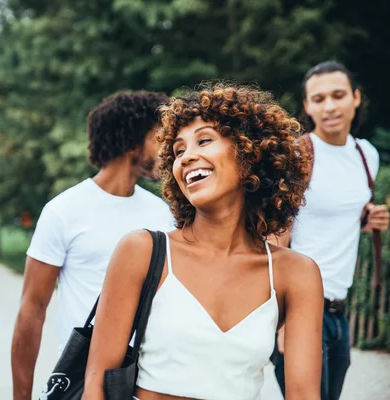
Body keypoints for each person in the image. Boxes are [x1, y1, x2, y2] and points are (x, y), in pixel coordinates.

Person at [83, 84, 324, 400]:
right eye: (179, 150)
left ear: (250, 151)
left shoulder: (295, 273)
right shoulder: (142, 251)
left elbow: (304, 394)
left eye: (204, 141)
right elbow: (96, 388)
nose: (187, 157)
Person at [11, 91, 174, 400]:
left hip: (150, 381)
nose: (167, 149)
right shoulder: (64, 211)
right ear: (133, 139)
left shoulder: (163, 214)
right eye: (159, 137)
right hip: (83, 381)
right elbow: (31, 311)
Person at [270, 61, 390, 400]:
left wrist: (366, 218)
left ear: (355, 98)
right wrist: (280, 320)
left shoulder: (366, 155)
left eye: (338, 95)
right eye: (319, 99)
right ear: (307, 106)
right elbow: (275, 237)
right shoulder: (297, 156)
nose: (330, 106)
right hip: (299, 309)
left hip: (339, 310)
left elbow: (338, 212)